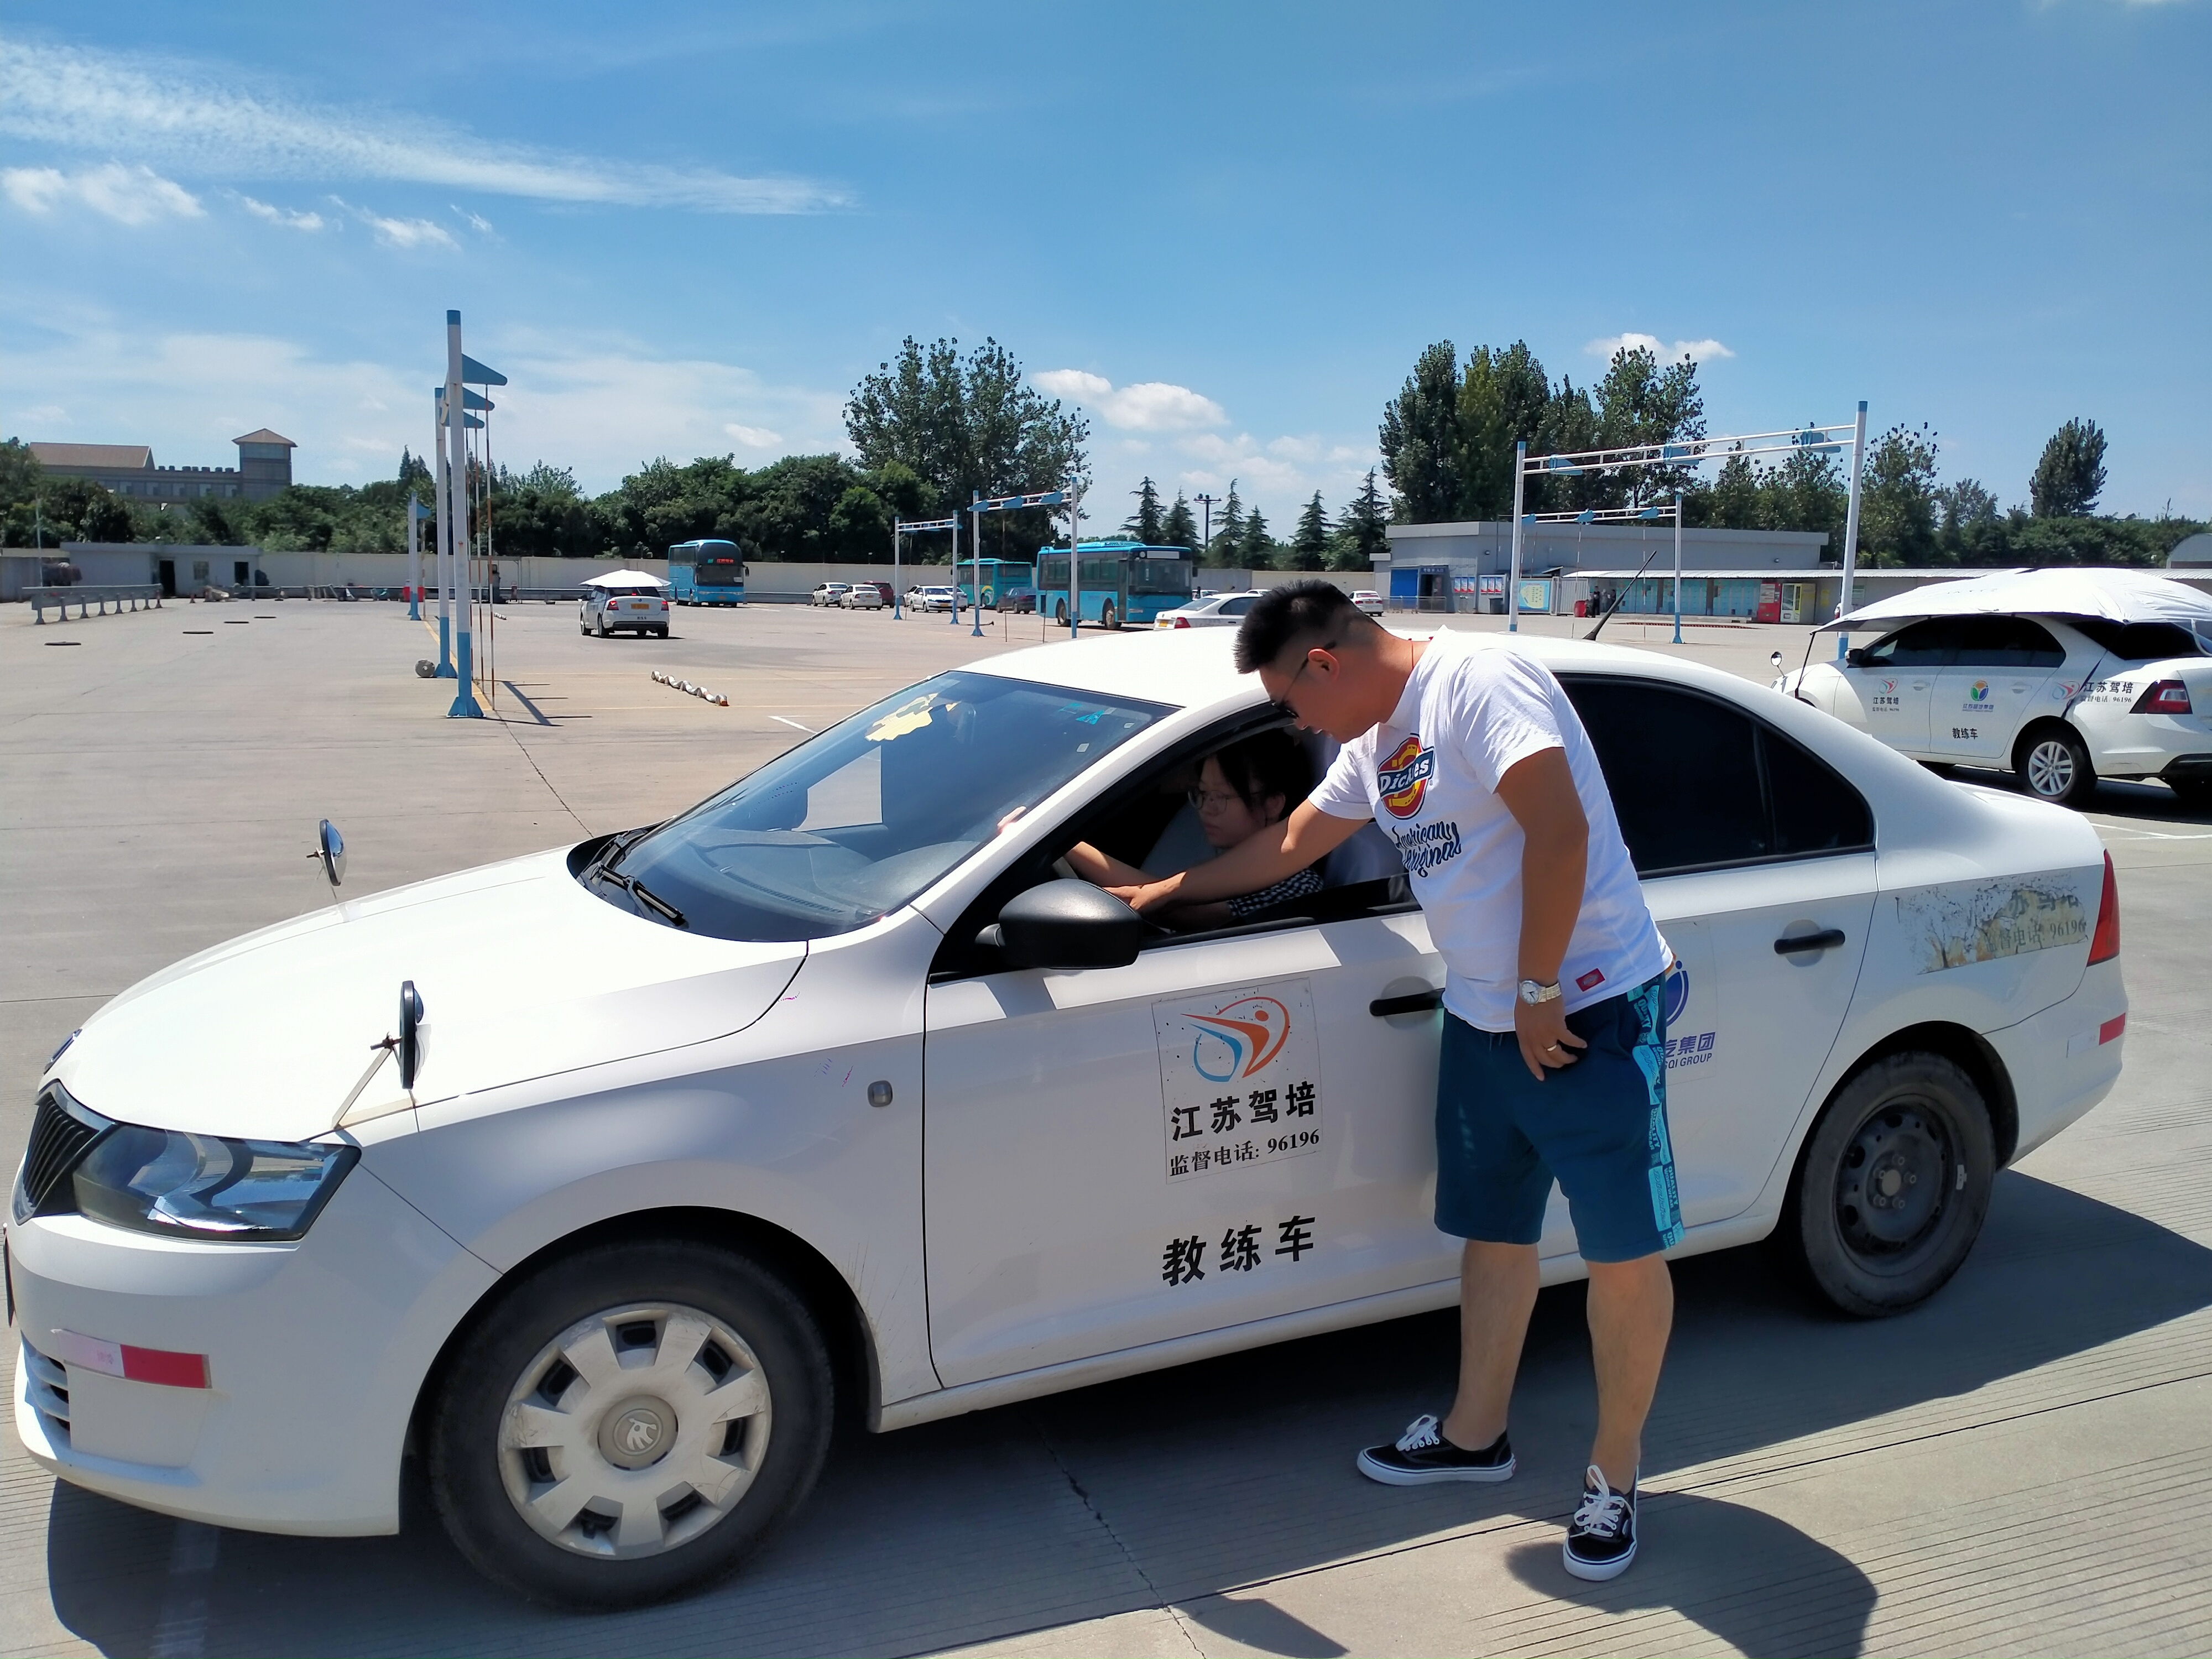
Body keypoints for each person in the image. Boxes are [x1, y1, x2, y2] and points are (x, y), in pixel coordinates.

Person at [1110, 581, 1676, 1583]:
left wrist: (1539, 985)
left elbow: (1560, 832)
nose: (1296, 723)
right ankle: (1475, 1435)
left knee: (1622, 1252)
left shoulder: (1479, 684)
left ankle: (1614, 1476)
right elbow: (1292, 844)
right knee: (1494, 1232)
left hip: (1584, 1008)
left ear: (1325, 663)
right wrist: (1157, 893)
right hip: (1485, 1014)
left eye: (1290, 702)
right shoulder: (1375, 741)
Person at [1065, 731, 1322, 930]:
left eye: (1221, 797)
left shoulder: (1296, 883)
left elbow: (1183, 913)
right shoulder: (1224, 857)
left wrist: (1066, 842)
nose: (1206, 808)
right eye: (1203, 794)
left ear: (1273, 803)